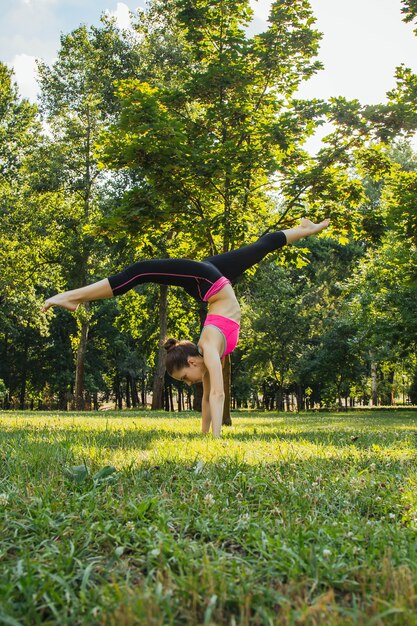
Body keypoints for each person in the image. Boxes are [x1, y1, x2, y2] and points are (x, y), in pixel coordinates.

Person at [42, 217, 330, 436]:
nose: (189, 382)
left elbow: (216, 395)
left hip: (207, 282)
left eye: (185, 377)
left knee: (140, 270)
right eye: (186, 380)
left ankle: (73, 297)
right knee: (260, 247)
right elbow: (210, 396)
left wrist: (214, 440)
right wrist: (207, 437)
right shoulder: (209, 353)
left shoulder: (208, 348)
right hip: (216, 282)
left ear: (192, 360)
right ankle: (304, 229)